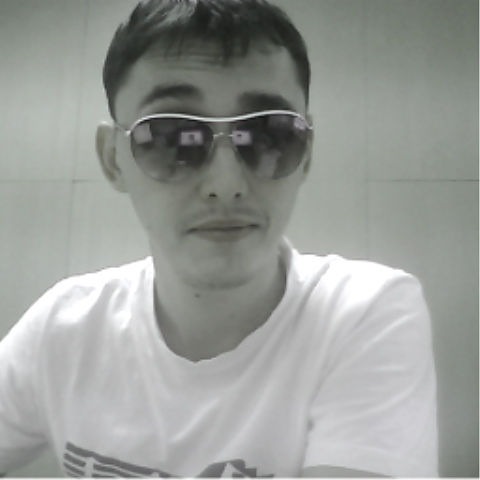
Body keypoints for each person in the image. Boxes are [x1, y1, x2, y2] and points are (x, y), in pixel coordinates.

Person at [0, 0, 438, 477]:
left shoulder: (363, 312)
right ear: (113, 159)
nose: (225, 184)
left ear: (306, 153)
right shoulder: (63, 329)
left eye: (270, 135)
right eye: (172, 136)